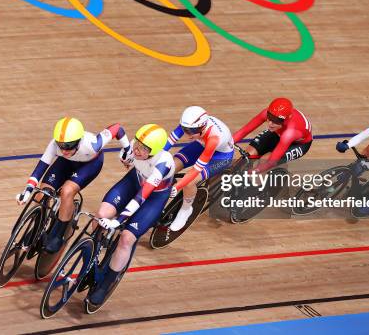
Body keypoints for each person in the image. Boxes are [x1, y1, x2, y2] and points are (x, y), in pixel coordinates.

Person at [88, 123, 174, 305]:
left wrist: (119, 220)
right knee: (101, 215)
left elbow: (143, 195)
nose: (137, 149)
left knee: (126, 238)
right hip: (132, 182)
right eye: (137, 144)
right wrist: (123, 149)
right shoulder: (135, 148)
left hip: (152, 198)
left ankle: (106, 284)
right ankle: (91, 259)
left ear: (155, 150)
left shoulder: (164, 163)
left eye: (143, 149)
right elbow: (118, 129)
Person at [16, 117, 131, 254]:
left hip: (89, 165)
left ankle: (58, 234)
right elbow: (40, 168)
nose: (64, 149)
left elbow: (117, 128)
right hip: (66, 162)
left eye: (68, 145)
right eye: (61, 145)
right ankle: (36, 229)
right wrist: (28, 190)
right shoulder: (55, 145)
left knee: (67, 191)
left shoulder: (93, 144)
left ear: (79, 141)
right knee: (43, 193)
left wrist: (127, 149)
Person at [163, 106, 235, 232]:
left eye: (191, 131)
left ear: (202, 127)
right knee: (169, 167)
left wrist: (177, 186)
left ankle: (186, 210)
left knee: (189, 182)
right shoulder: (190, 123)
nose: (187, 134)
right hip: (201, 144)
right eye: (185, 130)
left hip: (220, 156)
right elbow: (170, 140)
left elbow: (196, 169)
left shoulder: (214, 138)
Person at [233, 97, 312, 173]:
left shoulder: (289, 133)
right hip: (279, 132)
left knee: (264, 161)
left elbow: (271, 162)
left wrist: (255, 171)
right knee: (248, 155)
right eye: (270, 117)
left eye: (276, 120)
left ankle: (266, 184)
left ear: (286, 120)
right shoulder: (270, 115)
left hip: (299, 144)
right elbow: (243, 131)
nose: (270, 123)